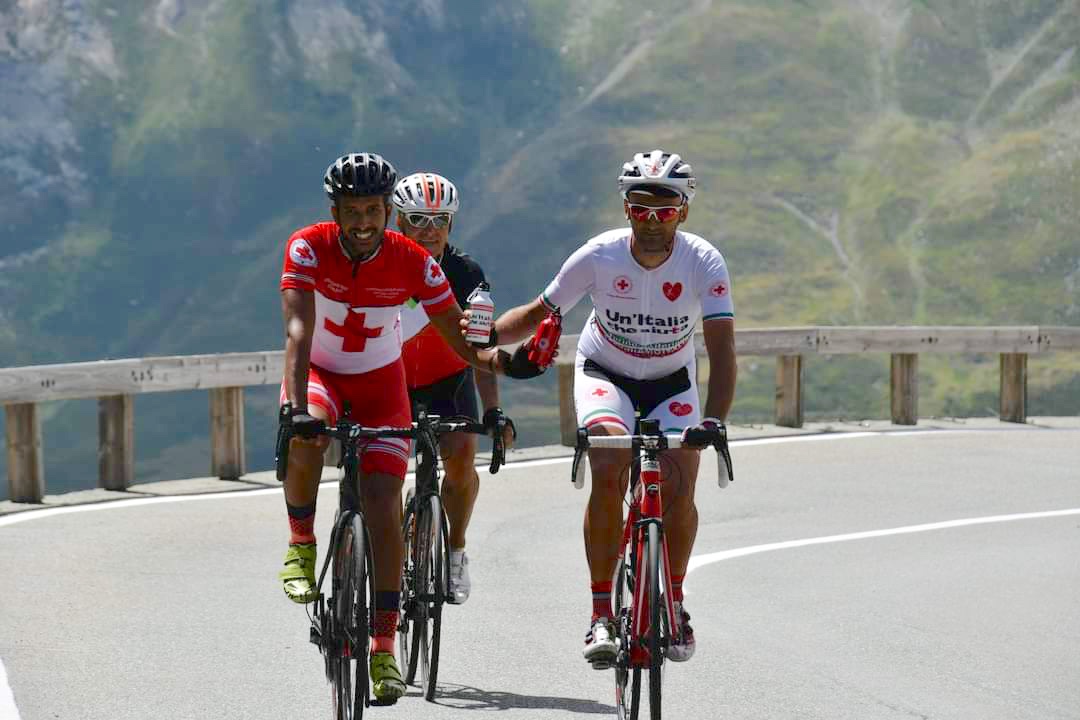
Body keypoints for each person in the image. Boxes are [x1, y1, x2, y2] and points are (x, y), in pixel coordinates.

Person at [277, 153, 518, 702]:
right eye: (351, 211)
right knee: (308, 436)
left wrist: (504, 366)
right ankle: (300, 543)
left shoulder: (414, 260)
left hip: (383, 385)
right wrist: (295, 406)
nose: (362, 222)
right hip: (321, 373)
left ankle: (384, 648)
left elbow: (462, 342)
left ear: (386, 210)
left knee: (385, 502)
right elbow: (297, 327)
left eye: (372, 211)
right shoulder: (308, 246)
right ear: (334, 210)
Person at [485, 149, 737, 667]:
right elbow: (535, 314)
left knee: (680, 485)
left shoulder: (704, 261)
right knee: (607, 464)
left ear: (683, 212)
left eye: (664, 210)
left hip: (673, 382)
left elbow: (724, 350)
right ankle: (601, 612)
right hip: (606, 374)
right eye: (640, 207)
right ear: (625, 208)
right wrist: (478, 338)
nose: (651, 220)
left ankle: (677, 600)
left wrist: (712, 422)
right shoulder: (598, 256)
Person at [393, 172, 516, 605]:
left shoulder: (466, 274)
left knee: (462, 459)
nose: (430, 230)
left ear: (451, 223)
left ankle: (456, 548)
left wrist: (494, 411)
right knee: (374, 470)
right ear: (399, 222)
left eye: (439, 220)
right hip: (390, 383)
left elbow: (480, 348)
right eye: (418, 220)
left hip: (449, 380)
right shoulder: (383, 265)